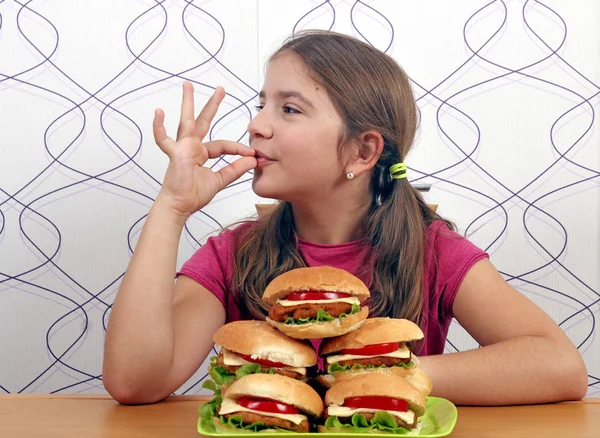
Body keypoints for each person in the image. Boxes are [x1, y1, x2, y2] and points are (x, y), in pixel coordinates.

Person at [102, 30, 587, 406]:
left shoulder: (434, 252)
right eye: (261, 103)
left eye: (289, 108)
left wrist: (389, 375)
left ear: (363, 150)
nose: (256, 124)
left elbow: (561, 366)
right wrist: (171, 208)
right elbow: (134, 380)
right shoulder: (232, 255)